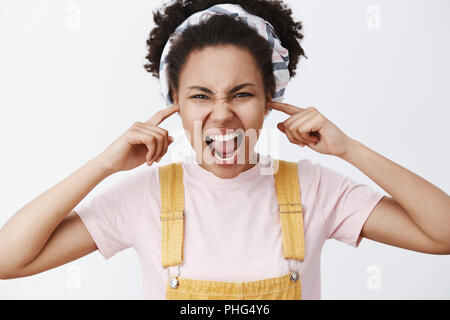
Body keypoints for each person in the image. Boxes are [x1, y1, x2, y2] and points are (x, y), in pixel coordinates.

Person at [0, 0, 449, 300]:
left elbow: (443, 235)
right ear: (173, 103)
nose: (221, 115)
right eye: (199, 96)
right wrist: (102, 165)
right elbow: (8, 260)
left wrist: (349, 149)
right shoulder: (144, 197)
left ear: (270, 98)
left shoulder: (315, 188)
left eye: (241, 94)